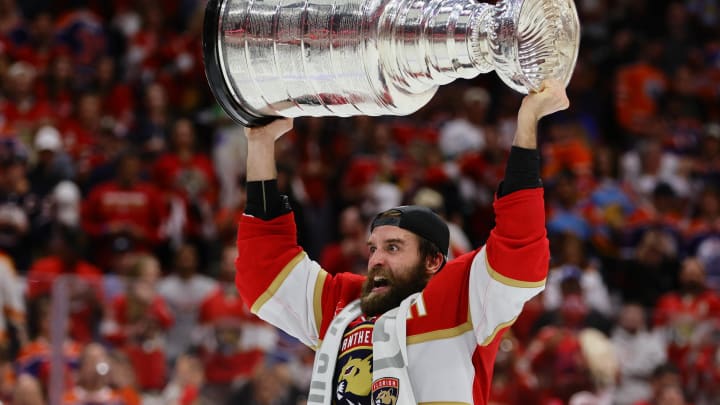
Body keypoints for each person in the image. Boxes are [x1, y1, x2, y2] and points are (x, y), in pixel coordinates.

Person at [235, 80, 569, 404]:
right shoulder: (344, 304)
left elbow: (519, 249)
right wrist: (261, 144)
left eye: (393, 247)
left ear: (433, 261)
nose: (376, 259)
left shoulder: (462, 299)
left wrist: (527, 122)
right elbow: (265, 270)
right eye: (373, 248)